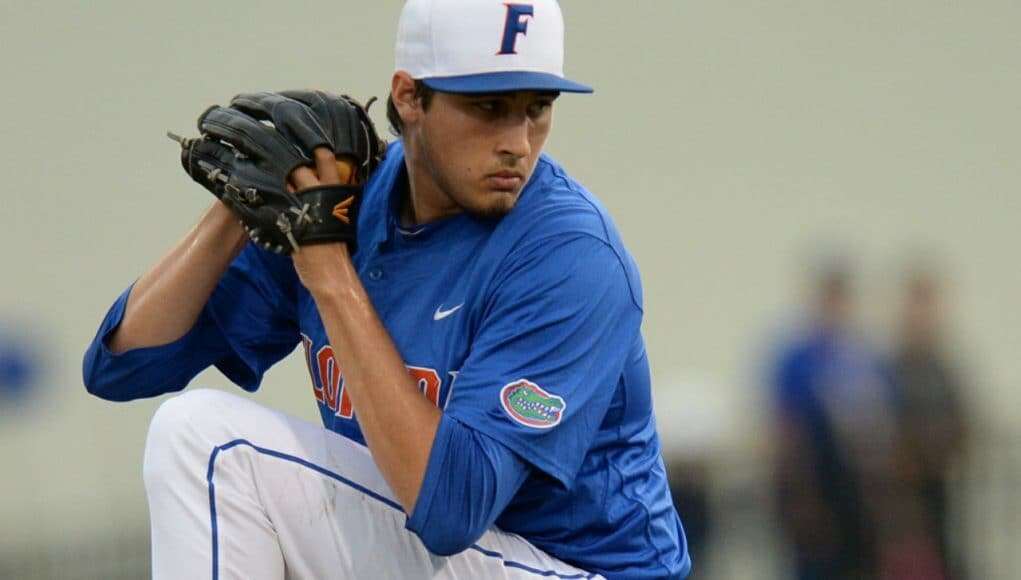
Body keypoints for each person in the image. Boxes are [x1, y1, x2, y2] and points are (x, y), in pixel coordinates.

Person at [82, 0, 690, 578]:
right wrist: (237, 209)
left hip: (576, 567)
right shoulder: (349, 207)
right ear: (409, 96)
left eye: (537, 106)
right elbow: (122, 369)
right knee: (187, 435)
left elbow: (451, 508)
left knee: (209, 442)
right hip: (432, 550)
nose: (517, 140)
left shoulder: (569, 256)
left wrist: (326, 270)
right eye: (489, 106)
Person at [769, 262, 898, 580]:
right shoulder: (798, 360)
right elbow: (787, 427)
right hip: (814, 485)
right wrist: (800, 500)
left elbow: (885, 429)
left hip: (859, 493)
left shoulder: (866, 360)